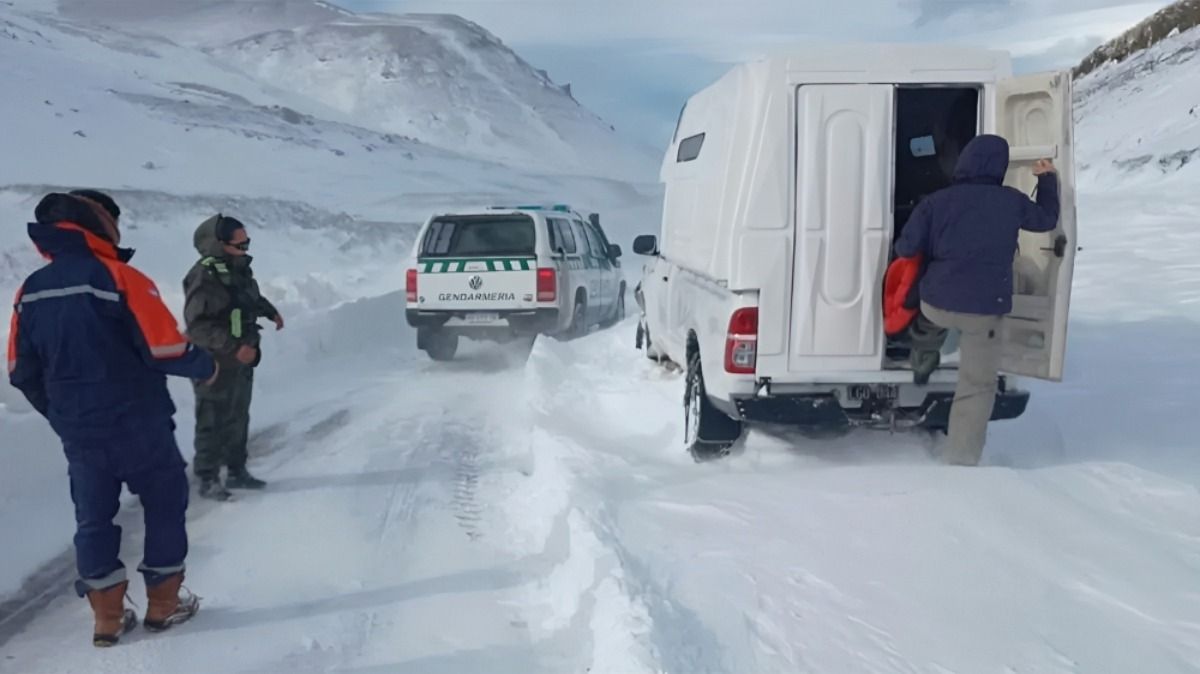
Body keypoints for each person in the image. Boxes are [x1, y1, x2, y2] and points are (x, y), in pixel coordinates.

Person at [7, 191, 214, 646]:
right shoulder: (121, 277)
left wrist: (61, 413)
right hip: (140, 422)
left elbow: (20, 372)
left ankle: (107, 618)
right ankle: (164, 604)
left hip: (81, 432)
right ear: (98, 226)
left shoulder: (30, 291)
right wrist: (207, 365)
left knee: (93, 518)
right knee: (164, 503)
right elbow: (165, 348)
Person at [894, 134, 1060, 466]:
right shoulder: (1011, 201)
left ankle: (924, 345)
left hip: (937, 304)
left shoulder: (935, 202)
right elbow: (1045, 220)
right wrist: (1046, 179)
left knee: (925, 308)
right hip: (984, 312)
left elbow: (905, 249)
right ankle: (961, 460)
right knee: (976, 385)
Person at [183, 214, 283, 501]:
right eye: (240, 245)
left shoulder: (238, 268)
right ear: (219, 244)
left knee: (238, 417)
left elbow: (248, 298)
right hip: (214, 361)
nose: (245, 249)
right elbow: (198, 326)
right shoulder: (204, 276)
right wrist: (232, 346)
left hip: (241, 360)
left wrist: (269, 311)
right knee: (212, 419)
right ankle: (207, 477)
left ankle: (237, 470)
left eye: (247, 243)